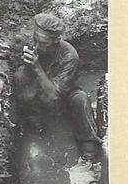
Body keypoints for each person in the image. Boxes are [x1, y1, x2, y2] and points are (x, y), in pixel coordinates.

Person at [14, 13, 102, 162]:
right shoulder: (33, 42)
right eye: (35, 39)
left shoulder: (69, 56)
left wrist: (36, 67)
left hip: (64, 98)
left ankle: (89, 148)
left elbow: (54, 96)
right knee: (19, 75)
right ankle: (34, 123)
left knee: (81, 99)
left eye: (43, 43)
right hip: (38, 97)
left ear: (56, 41)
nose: (36, 46)